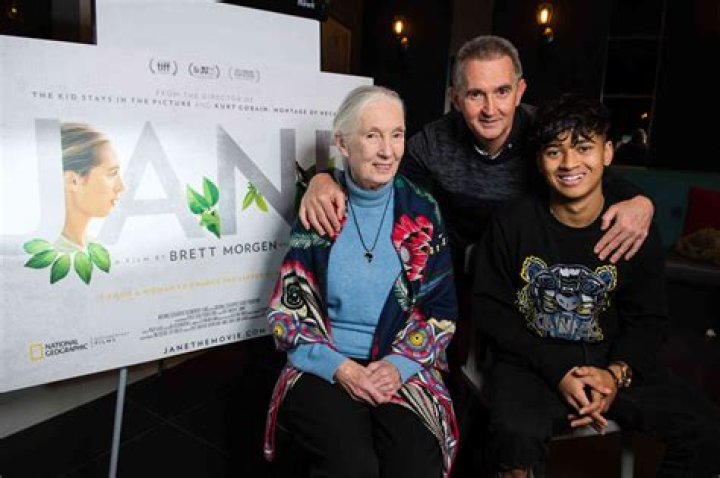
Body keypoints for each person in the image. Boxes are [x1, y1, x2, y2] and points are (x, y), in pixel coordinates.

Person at [297, 35, 655, 380]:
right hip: (455, 268)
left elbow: (580, 170)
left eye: (502, 91)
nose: (490, 109)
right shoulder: (434, 140)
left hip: (524, 270)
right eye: (475, 94)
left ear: (520, 91)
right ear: (455, 98)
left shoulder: (542, 132)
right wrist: (325, 178)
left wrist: (640, 200)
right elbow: (379, 173)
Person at [473, 94, 720, 478]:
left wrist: (616, 373)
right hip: (531, 359)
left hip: (610, 357)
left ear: (607, 153)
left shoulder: (633, 229)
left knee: (708, 432)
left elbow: (650, 319)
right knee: (514, 435)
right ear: (539, 160)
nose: (569, 163)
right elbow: (492, 313)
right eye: (554, 152)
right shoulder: (512, 224)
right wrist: (557, 369)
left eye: (583, 148)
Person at [263, 85, 459, 478]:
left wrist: (398, 365)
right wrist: (344, 369)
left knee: (413, 467)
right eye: (372, 135)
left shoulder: (422, 210)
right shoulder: (320, 208)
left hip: (401, 360)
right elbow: (288, 314)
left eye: (397, 134)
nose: (387, 151)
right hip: (326, 362)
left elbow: (440, 309)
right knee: (352, 467)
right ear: (343, 143)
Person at [58, 122, 125, 252]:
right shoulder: (57, 255)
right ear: (72, 180)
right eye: (112, 174)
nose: (121, 187)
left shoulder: (93, 247)